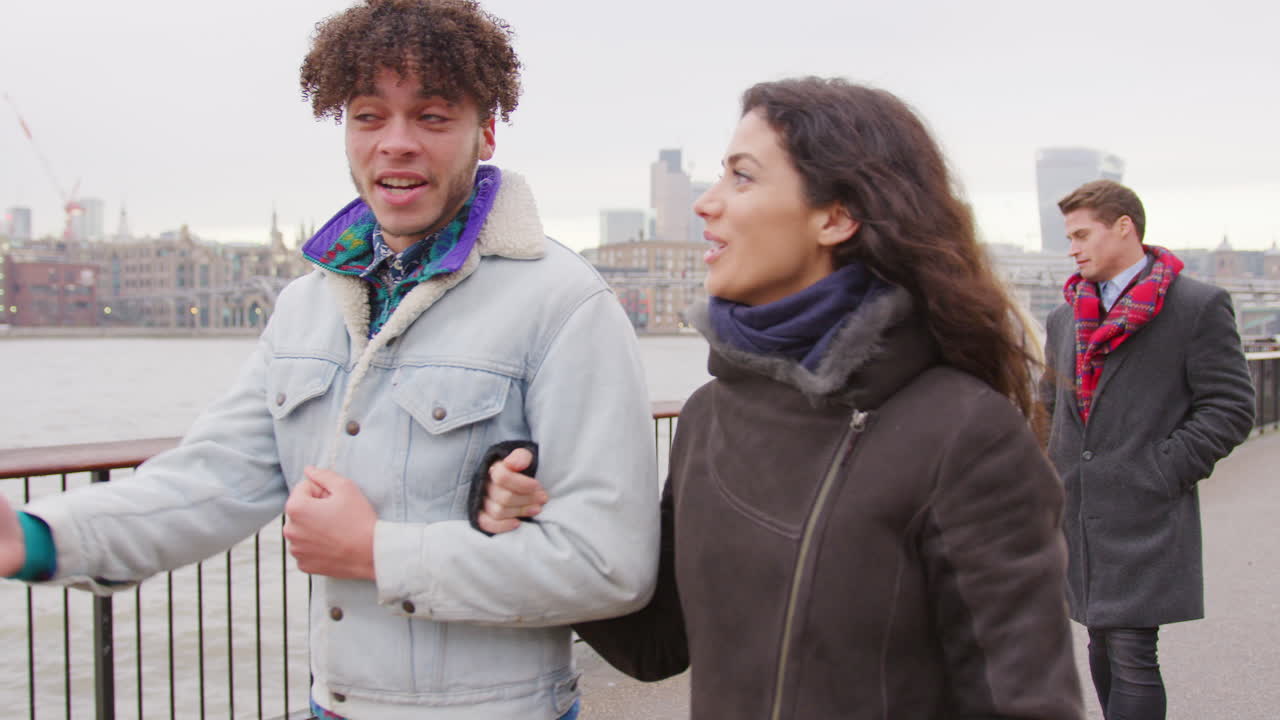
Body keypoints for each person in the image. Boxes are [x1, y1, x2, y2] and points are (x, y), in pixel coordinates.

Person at [0, 1, 659, 718]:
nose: (395, 144)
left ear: (486, 132)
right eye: (369, 116)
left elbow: (610, 565)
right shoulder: (306, 306)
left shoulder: (565, 305)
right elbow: (214, 479)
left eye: (433, 117)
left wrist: (376, 551)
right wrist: (36, 538)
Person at [478, 77, 1084, 719]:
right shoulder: (709, 415)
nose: (707, 204)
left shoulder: (965, 432)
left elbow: (1026, 705)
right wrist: (540, 511)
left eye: (742, 177)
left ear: (836, 216)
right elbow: (654, 644)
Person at [1040, 179, 1254, 719]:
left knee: (1133, 650)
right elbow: (1048, 409)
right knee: (1101, 644)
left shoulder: (1195, 306)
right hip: (1081, 511)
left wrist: (1161, 469)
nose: (1073, 248)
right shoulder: (1065, 318)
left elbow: (1230, 408)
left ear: (1123, 227)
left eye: (1082, 234)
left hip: (1145, 506)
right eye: (1069, 237)